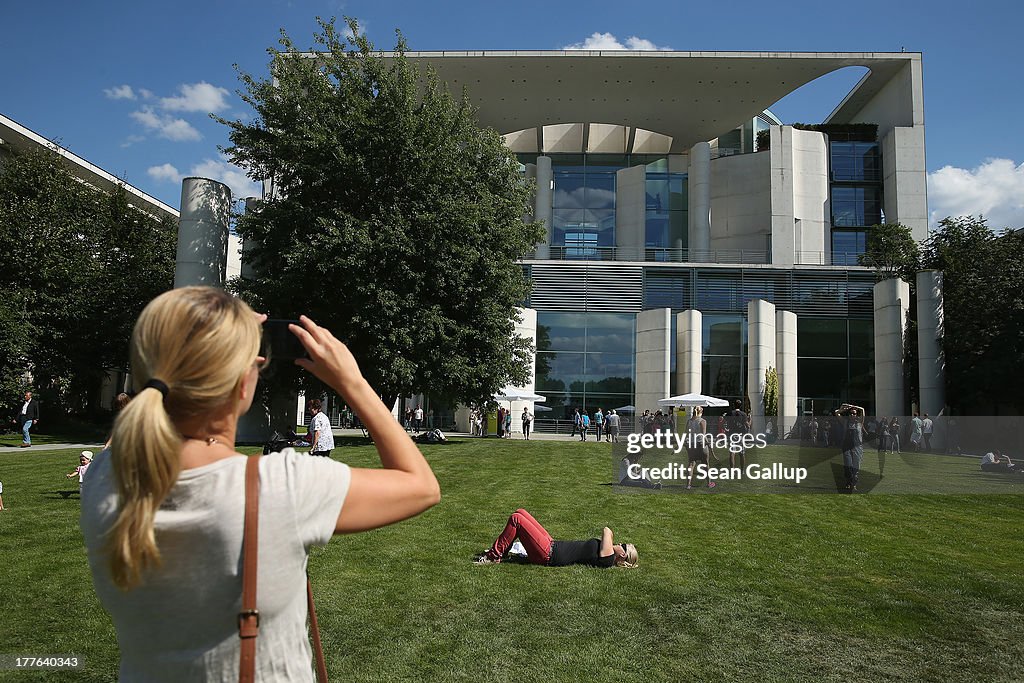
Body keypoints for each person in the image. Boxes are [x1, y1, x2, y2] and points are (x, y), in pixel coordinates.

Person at [79, 286, 440, 681]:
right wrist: (351, 381)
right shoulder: (276, 487)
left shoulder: (106, 476)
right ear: (242, 383)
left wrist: (220, 341)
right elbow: (420, 485)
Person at [474, 508, 638, 568]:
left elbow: (607, 530)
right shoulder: (607, 553)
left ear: (622, 555)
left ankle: (493, 556)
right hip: (552, 545)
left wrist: (613, 542)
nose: (619, 543)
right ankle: (501, 552)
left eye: (623, 545)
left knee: (516, 520)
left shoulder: (608, 558)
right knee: (520, 512)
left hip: (548, 554)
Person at [836, 403, 865, 492]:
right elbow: (837, 413)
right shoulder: (845, 422)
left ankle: (854, 484)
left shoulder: (859, 423)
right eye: (851, 413)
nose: (852, 415)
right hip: (847, 447)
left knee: (856, 468)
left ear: (857, 415)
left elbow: (863, 410)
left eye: (854, 413)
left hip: (857, 447)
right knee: (848, 466)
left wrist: (855, 407)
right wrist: (843, 409)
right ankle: (848, 483)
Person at [686, 406, 716, 489]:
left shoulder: (689, 421)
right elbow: (703, 435)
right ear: (701, 412)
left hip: (691, 444)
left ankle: (688, 484)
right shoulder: (702, 421)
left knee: (691, 464)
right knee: (705, 464)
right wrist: (708, 443)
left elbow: (686, 433)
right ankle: (709, 483)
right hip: (700, 445)